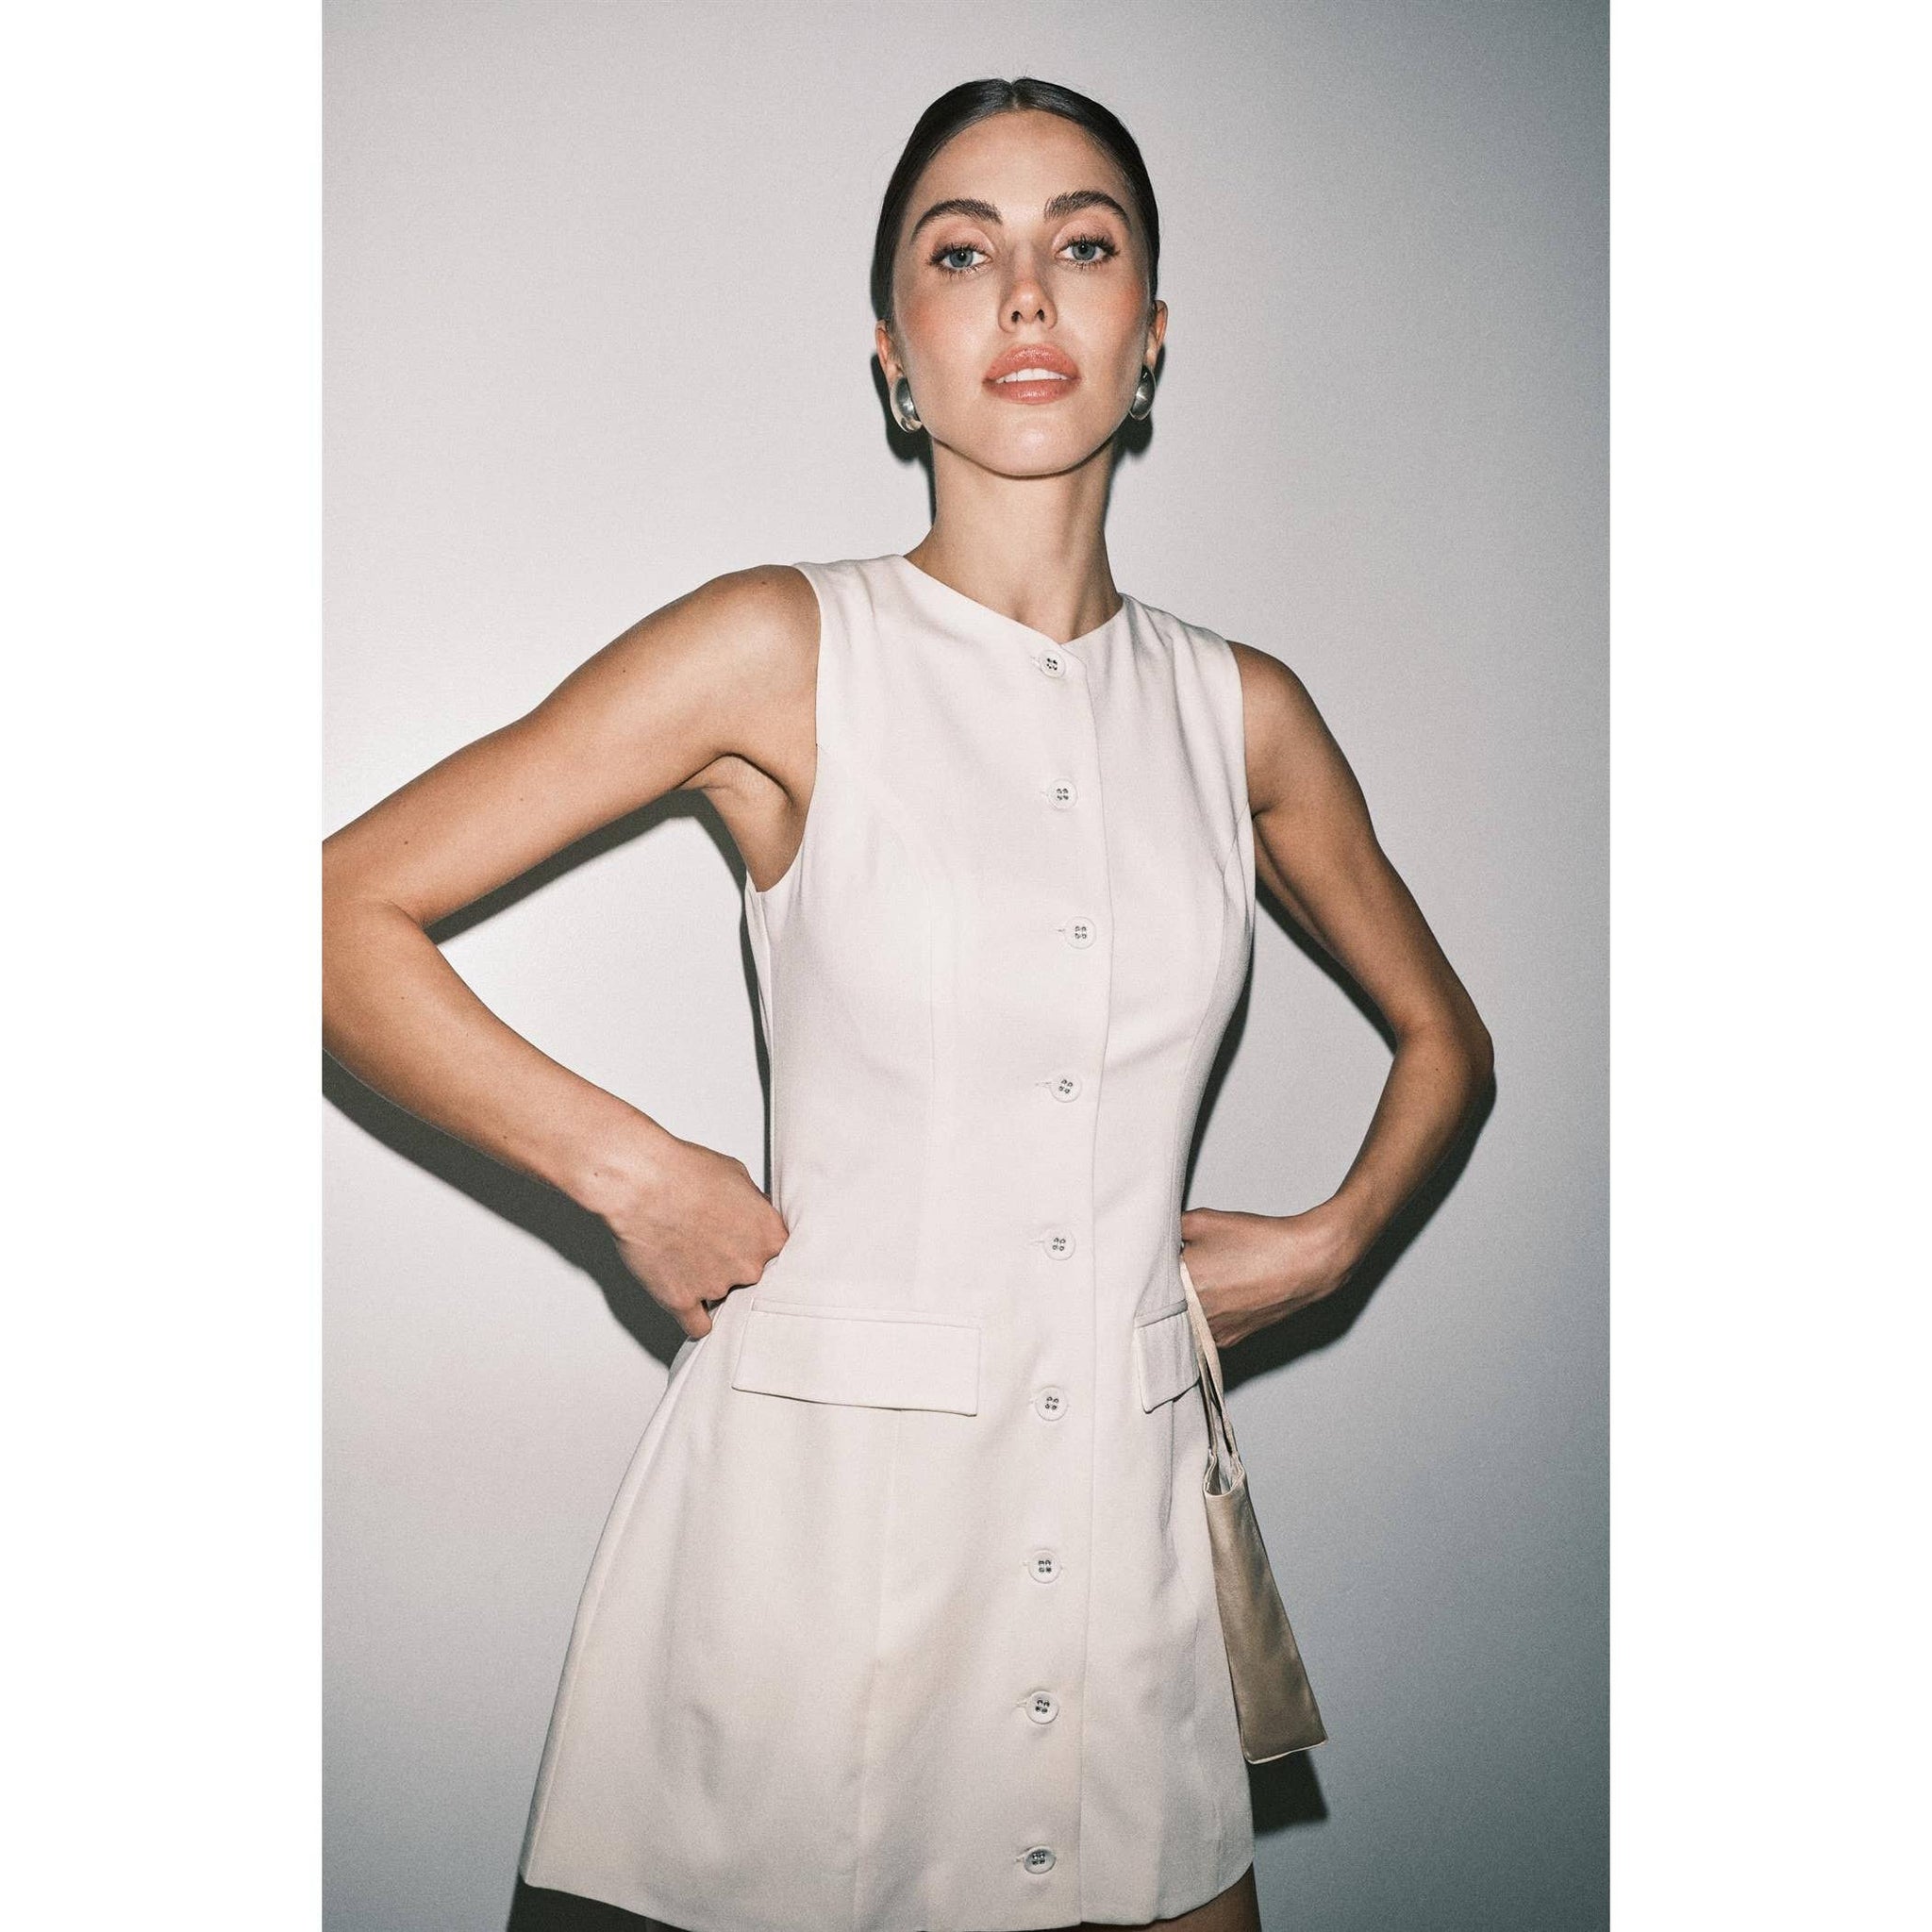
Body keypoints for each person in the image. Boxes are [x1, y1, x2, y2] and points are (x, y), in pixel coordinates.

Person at [322, 74, 1494, 1932]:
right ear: (894, 358)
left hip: (1125, 1530)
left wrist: (1332, 1243)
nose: (1026, 292)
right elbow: (333, 914)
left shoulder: (1243, 713)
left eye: (1083, 245)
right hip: (808, 1544)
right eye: (963, 253)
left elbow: (1449, 1042)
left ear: (1150, 338)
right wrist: (633, 1173)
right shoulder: (780, 646)